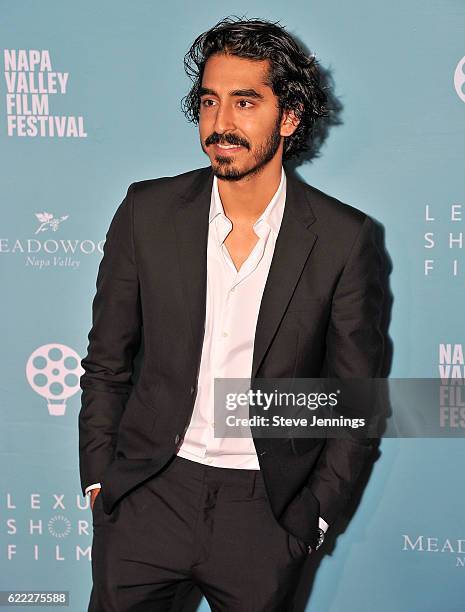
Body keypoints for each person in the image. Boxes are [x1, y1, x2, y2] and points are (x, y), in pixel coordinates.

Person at [79, 16, 385, 611]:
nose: (221, 124)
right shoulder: (147, 212)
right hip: (148, 497)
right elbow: (106, 362)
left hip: (264, 512)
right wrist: (100, 481)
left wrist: (313, 518)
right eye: (210, 102)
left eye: (245, 103)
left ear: (289, 118)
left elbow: (355, 400)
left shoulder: (344, 240)